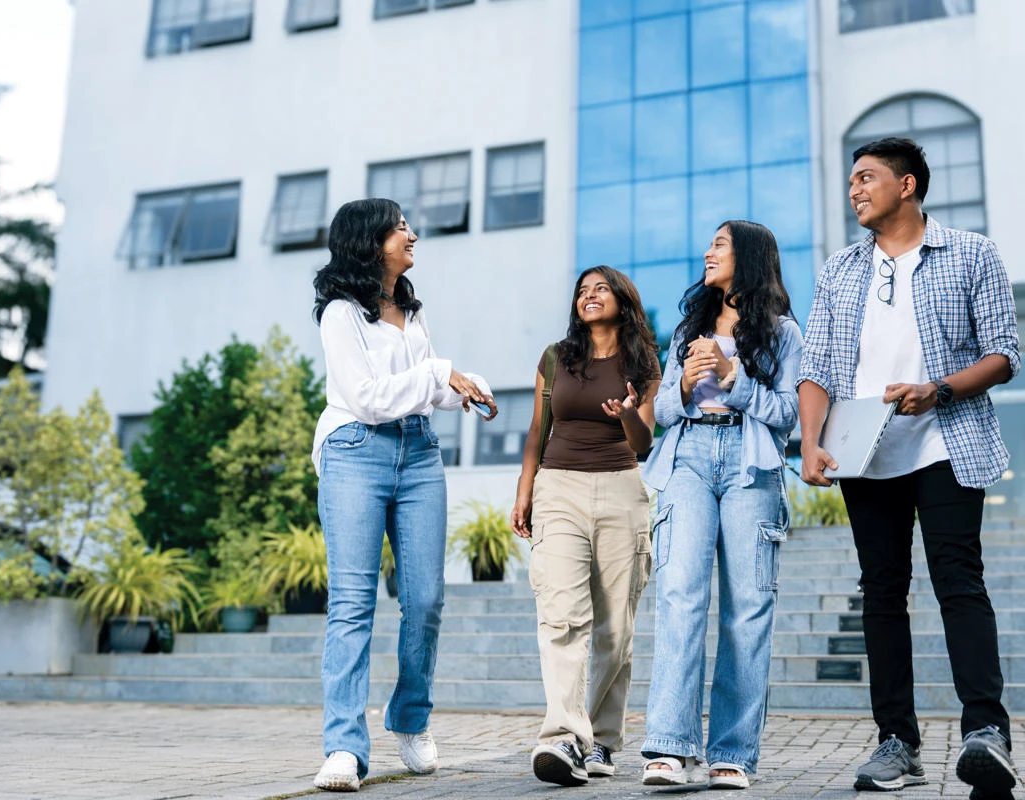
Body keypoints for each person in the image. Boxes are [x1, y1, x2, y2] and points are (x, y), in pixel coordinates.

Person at [797, 137, 1020, 800]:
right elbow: (816, 368)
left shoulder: (972, 252)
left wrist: (939, 389)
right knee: (881, 594)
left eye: (867, 178)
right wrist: (811, 444)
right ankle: (898, 743)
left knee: (959, 581)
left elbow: (1004, 353)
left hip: (946, 441)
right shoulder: (840, 270)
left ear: (909, 184)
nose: (855, 190)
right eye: (850, 181)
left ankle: (986, 733)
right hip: (865, 452)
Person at [310, 198, 497, 792]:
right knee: (352, 602)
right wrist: (437, 374)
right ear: (371, 240)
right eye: (400, 227)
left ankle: (410, 720)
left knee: (426, 599)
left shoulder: (409, 311)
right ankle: (344, 746)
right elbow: (367, 397)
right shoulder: (341, 315)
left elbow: (421, 390)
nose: (411, 234)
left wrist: (463, 387)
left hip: (417, 454)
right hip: (355, 452)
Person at [639, 220, 803, 790]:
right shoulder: (690, 329)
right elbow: (661, 411)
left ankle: (732, 753)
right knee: (680, 593)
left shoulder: (783, 333)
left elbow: (789, 414)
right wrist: (684, 384)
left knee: (748, 608)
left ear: (750, 258)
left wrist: (732, 377)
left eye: (720, 244)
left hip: (751, 462)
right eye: (709, 244)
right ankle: (667, 747)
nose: (708, 253)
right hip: (688, 456)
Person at [511, 266, 661, 787]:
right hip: (559, 489)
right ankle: (562, 736)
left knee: (615, 628)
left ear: (622, 299)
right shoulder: (557, 358)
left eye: (600, 289)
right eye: (581, 290)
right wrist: (524, 491)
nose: (588, 296)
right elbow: (537, 429)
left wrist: (624, 413)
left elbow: (642, 441)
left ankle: (600, 740)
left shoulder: (642, 361)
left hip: (622, 489)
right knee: (562, 615)